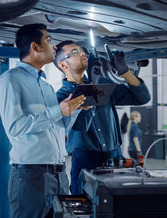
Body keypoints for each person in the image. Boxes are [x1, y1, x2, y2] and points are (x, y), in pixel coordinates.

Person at [0, 24, 86, 218]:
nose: (54, 47)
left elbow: (59, 126)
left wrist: (74, 110)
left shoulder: (45, 86)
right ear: (35, 47)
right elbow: (15, 126)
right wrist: (57, 111)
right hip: (31, 176)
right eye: (49, 41)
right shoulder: (10, 80)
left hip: (60, 174)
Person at [54, 40, 151, 195]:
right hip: (86, 161)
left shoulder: (103, 84)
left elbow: (142, 98)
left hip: (115, 158)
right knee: (86, 208)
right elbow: (81, 125)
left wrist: (125, 71)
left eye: (80, 50)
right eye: (74, 53)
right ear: (62, 65)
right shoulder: (62, 97)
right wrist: (92, 86)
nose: (81, 54)